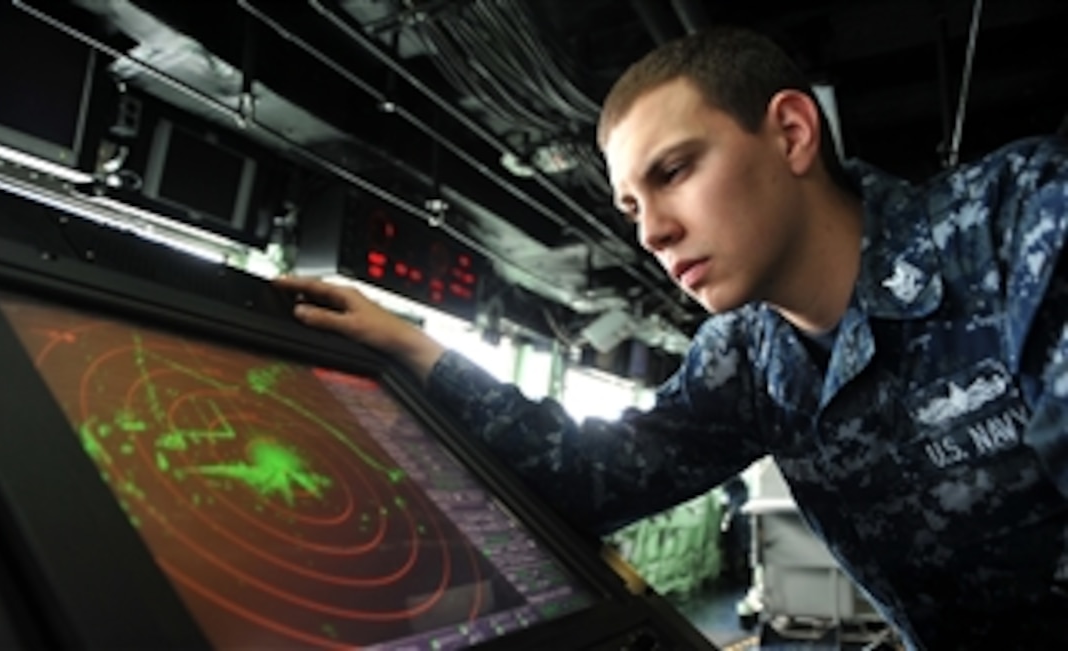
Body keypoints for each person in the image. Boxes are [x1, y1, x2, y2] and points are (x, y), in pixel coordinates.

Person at [276, 26, 1068, 650]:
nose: (652, 232)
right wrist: (420, 351)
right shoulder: (746, 359)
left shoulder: (1015, 221)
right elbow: (592, 478)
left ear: (792, 133)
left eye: (675, 171)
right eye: (629, 208)